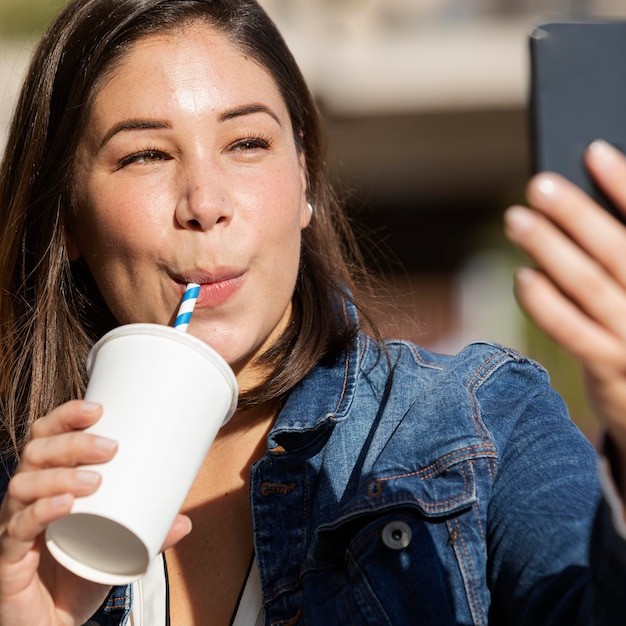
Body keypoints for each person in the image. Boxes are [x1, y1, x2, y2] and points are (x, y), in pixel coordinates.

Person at [0, 0, 624, 624]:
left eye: (246, 142)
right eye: (146, 155)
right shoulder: (18, 515)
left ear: (304, 178)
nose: (205, 202)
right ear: (67, 218)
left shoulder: (484, 422)